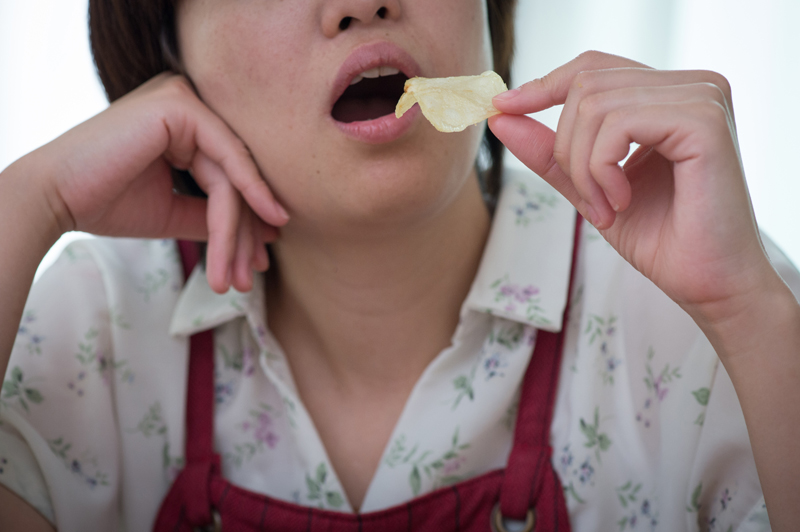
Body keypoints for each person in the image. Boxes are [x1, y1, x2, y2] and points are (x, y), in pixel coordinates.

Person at [0, 0, 798, 530]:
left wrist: (748, 315)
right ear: (167, 53)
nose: (361, 3)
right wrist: (26, 201)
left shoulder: (703, 304)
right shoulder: (90, 324)